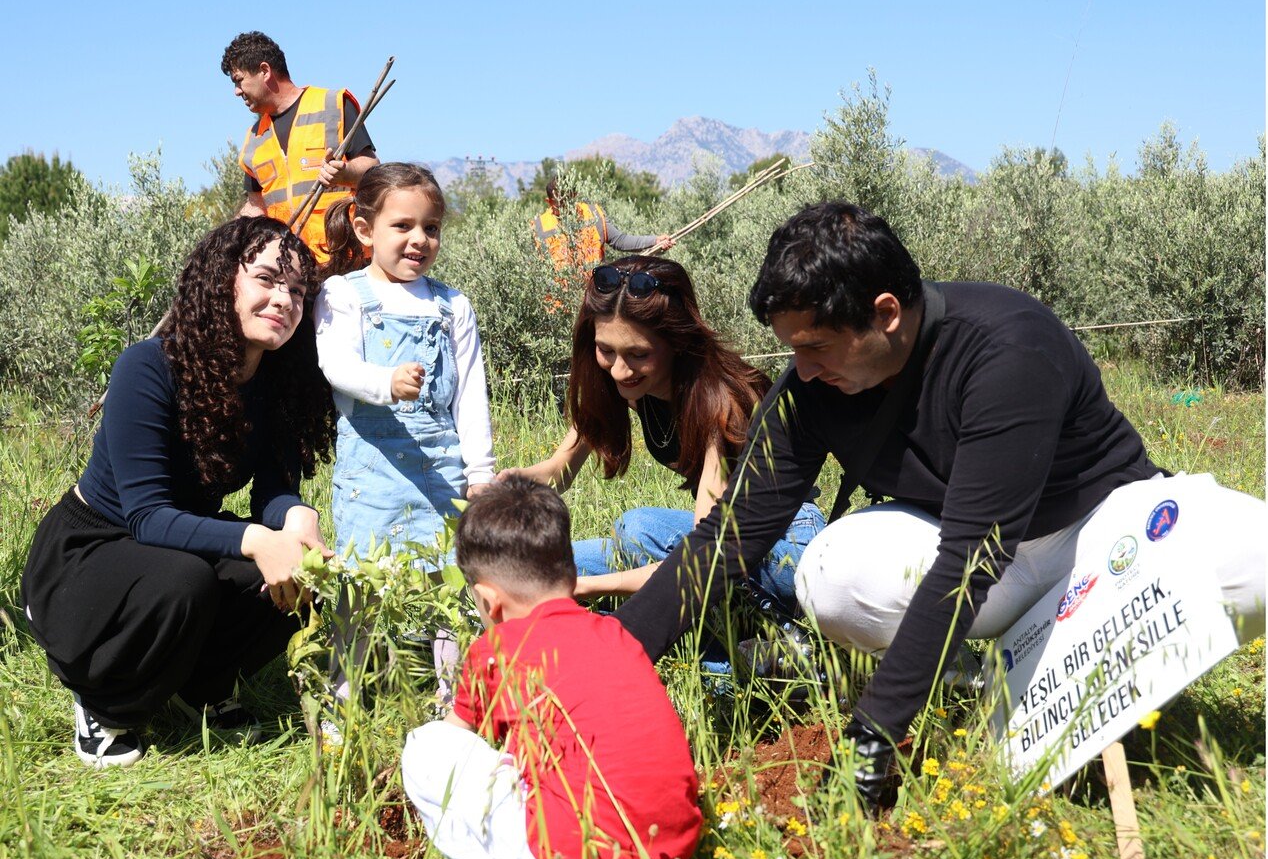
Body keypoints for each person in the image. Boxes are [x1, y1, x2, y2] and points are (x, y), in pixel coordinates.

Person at [611, 201, 1266, 808]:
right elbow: (731, 538)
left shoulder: (1007, 347)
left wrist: (874, 732)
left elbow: (969, 560)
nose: (800, 369)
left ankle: (1060, 665)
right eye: (790, 349)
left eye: (814, 346)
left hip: (1095, 533)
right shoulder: (809, 391)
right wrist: (610, 659)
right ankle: (983, 685)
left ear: (887, 312)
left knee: (1253, 555)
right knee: (832, 573)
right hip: (988, 561)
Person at [20, 216, 336, 768]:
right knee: (186, 580)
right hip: (93, 549)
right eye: (266, 279)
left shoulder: (279, 381)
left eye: (296, 289)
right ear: (223, 283)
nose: (282, 298)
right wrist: (260, 541)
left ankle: (203, 685)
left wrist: (297, 520)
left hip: (172, 542)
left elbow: (273, 490)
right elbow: (145, 515)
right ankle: (104, 701)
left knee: (300, 571)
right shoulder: (149, 367)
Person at [401, 476, 701, 859]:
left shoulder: (495, 649)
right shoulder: (618, 636)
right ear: (573, 573)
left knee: (425, 745)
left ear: (488, 601)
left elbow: (454, 742)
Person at [499, 255, 824, 609]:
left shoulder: (725, 404)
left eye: (639, 354)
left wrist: (589, 588)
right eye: (606, 350)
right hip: (716, 545)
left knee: (637, 529)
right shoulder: (628, 388)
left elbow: (708, 555)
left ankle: (753, 643)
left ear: (677, 341)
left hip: (786, 549)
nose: (620, 371)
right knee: (537, 568)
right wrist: (510, 485)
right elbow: (559, 470)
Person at [315, 163, 495, 716]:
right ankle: (343, 697)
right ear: (366, 230)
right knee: (362, 585)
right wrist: (384, 383)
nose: (419, 239)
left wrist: (481, 469)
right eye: (403, 226)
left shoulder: (451, 305)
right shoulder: (343, 295)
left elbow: (469, 393)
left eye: (432, 228)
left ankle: (452, 701)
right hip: (373, 473)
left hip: (441, 468)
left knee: (450, 583)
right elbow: (335, 365)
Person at [222, 31, 379, 263]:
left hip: (345, 260)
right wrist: (223, 241)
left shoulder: (332, 105)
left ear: (264, 71)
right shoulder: (255, 137)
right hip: (292, 268)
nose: (236, 91)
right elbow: (257, 205)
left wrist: (344, 174)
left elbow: (372, 169)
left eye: (238, 80)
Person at [532, 178, 674, 272]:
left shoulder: (594, 213)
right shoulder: (538, 226)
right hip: (557, 307)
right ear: (549, 202)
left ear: (574, 195)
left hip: (595, 297)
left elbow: (620, 240)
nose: (565, 208)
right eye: (559, 204)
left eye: (568, 201)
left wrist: (654, 241)